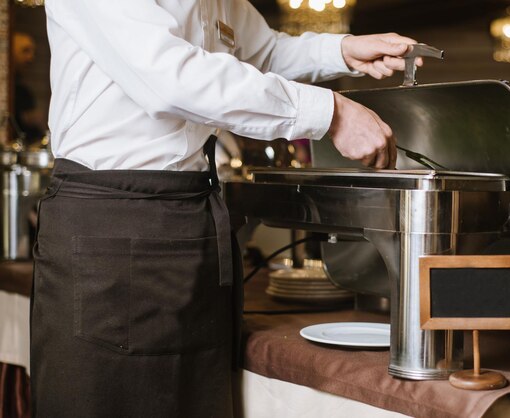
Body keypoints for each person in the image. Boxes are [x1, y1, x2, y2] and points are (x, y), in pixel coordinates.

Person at [34, 1, 417, 417]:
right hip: (111, 221)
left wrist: (339, 50)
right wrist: (331, 112)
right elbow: (172, 77)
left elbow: (262, 53)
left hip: (193, 216)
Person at [11, 31, 47, 147]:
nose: (31, 57)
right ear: (11, 51)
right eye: (25, 50)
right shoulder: (9, 89)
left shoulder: (23, 89)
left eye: (33, 52)